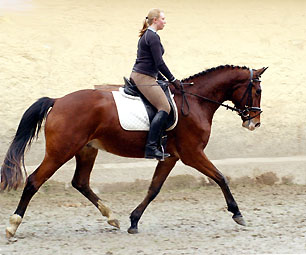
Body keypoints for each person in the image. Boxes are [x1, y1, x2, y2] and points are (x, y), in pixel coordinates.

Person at [130, 8, 181, 160]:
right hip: (143, 78)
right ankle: (151, 147)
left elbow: (151, 63)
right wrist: (173, 79)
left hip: (146, 75)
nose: (165, 22)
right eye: (163, 19)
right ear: (155, 20)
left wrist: (162, 79)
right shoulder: (152, 37)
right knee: (164, 107)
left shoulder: (149, 36)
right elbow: (159, 63)